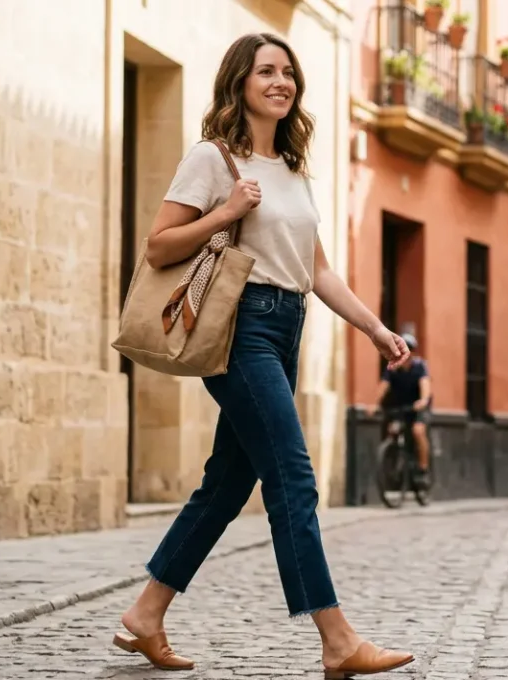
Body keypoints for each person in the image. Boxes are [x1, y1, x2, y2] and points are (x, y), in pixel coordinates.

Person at [116, 34, 413, 678]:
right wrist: (226, 208)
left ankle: (146, 613)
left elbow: (318, 270)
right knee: (293, 477)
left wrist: (375, 328)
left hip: (287, 328)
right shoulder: (213, 158)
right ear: (240, 83)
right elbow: (160, 246)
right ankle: (337, 640)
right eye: (266, 72)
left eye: (288, 73)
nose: (281, 82)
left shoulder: (296, 169)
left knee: (227, 484)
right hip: (241, 325)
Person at [371, 332, 432, 485]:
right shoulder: (392, 367)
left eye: (409, 348)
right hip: (401, 407)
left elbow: (425, 384)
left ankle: (423, 469)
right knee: (393, 430)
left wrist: (423, 400)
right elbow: (383, 386)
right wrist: (375, 404)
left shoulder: (419, 366)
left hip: (418, 407)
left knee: (418, 431)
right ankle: (396, 459)